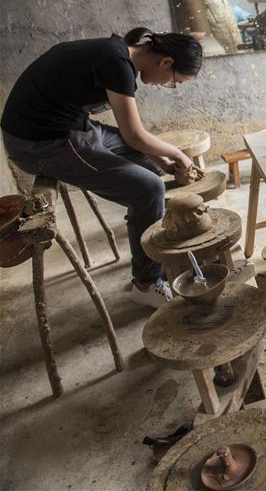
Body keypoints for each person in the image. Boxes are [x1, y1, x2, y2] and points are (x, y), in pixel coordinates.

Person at [1, 28, 204, 308]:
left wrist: (159, 158)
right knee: (148, 188)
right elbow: (134, 134)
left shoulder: (117, 51)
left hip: (68, 126)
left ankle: (158, 232)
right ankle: (146, 283)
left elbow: (133, 138)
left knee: (147, 165)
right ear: (166, 62)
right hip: (41, 143)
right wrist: (177, 154)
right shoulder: (117, 65)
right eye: (173, 82)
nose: (166, 85)